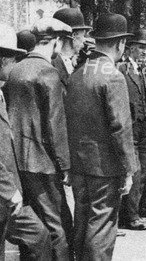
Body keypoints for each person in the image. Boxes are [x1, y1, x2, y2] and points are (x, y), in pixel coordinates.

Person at [66, 14, 138, 259]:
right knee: (102, 226)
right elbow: (121, 127)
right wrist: (129, 169)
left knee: (83, 221)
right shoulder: (113, 75)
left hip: (79, 163)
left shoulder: (77, 74)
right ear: (120, 44)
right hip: (106, 167)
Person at [5, 17, 74, 260]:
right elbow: (55, 125)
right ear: (56, 41)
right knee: (58, 227)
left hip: (16, 162)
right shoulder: (48, 72)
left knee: (32, 230)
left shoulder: (15, 70)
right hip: (43, 164)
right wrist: (65, 165)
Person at [0, 24, 53, 259]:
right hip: (4, 193)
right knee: (37, 236)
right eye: (14, 59)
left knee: (38, 236)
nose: (15, 66)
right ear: (3, 59)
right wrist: (9, 190)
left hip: (7, 193)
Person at [118, 30, 146, 229]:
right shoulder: (122, 69)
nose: (145, 52)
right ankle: (130, 217)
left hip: (145, 129)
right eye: (141, 48)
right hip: (131, 129)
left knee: (142, 173)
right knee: (134, 174)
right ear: (130, 48)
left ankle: (134, 213)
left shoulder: (142, 70)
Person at [52, 8, 92, 87]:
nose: (84, 40)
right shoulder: (52, 64)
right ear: (73, 35)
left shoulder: (79, 61)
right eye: (83, 35)